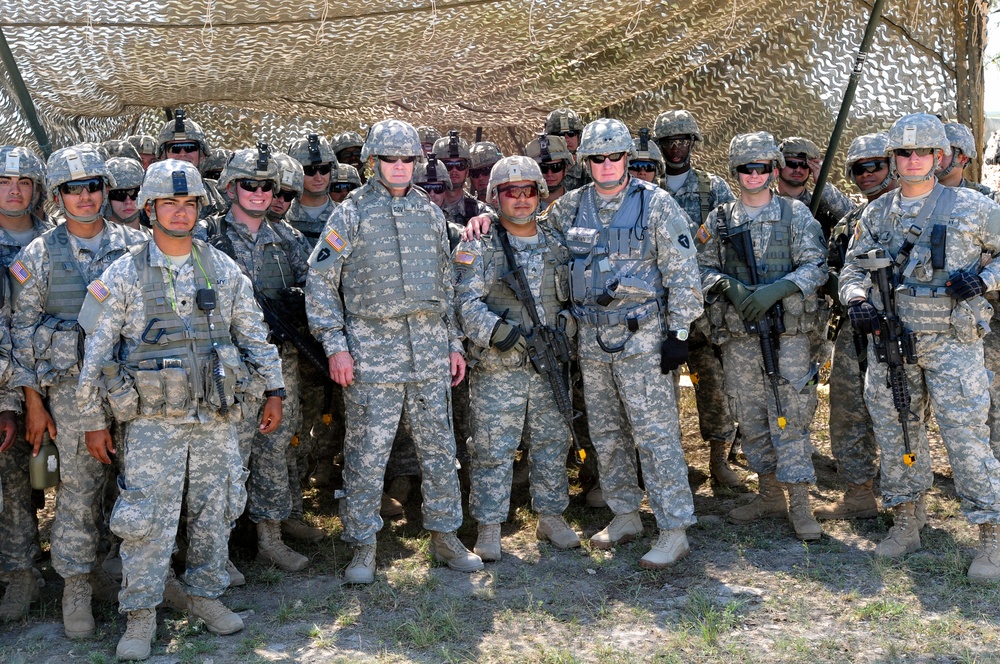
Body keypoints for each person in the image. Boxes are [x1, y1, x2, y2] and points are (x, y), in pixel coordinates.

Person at [76, 159, 284, 659]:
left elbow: (254, 333)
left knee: (217, 509)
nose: (180, 212)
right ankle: (141, 615)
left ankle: (206, 596)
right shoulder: (122, 274)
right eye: (169, 203)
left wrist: (274, 388)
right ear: (149, 210)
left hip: (214, 416)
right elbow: (96, 353)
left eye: (188, 202)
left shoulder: (221, 268)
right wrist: (92, 422)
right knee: (145, 518)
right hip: (151, 422)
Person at [305, 119, 482, 584]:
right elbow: (321, 283)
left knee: (440, 451)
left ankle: (445, 536)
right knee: (367, 453)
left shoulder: (427, 211)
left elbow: (446, 283)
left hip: (426, 349)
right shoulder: (350, 213)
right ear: (372, 163)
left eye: (407, 159)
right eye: (390, 159)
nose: (400, 167)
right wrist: (336, 347)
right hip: (370, 351)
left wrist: (452, 343)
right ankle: (362, 545)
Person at [537, 118, 703, 568]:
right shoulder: (569, 208)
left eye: (615, 157)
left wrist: (680, 335)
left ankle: (674, 528)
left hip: (643, 336)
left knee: (655, 434)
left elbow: (685, 276)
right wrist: (479, 224)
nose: (607, 165)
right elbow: (530, 239)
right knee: (608, 432)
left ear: (628, 157)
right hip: (592, 338)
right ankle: (625, 513)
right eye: (597, 158)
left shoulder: (658, 206)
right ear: (584, 161)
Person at [841, 113, 1000, 580]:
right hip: (891, 338)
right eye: (903, 153)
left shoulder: (972, 207)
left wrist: (986, 279)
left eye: (922, 153)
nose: (912, 161)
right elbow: (852, 269)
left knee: (966, 439)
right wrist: (855, 299)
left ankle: (991, 536)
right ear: (895, 159)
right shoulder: (876, 213)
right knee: (896, 434)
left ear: (939, 157)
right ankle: (906, 521)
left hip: (953, 341)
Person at [9, 145, 147, 638]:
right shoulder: (39, 256)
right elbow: (20, 335)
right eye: (73, 189)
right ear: (58, 195)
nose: (85, 197)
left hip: (131, 388)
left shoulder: (136, 246)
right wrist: (33, 403)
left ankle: (138, 578)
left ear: (105, 190)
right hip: (68, 395)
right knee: (78, 492)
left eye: (93, 186)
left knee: (139, 484)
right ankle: (76, 586)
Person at [699, 132, 827, 541]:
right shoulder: (720, 220)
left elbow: (816, 267)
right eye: (744, 168)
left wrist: (779, 288)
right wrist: (727, 286)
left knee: (790, 415)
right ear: (734, 171)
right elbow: (695, 270)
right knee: (750, 415)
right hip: (738, 338)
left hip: (786, 336)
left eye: (761, 168)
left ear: (774, 169)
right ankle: (769, 494)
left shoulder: (795, 215)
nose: (753, 175)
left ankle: (801, 506)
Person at [454, 156, 580, 561]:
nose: (521, 200)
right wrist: (502, 334)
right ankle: (490, 527)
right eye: (511, 192)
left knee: (552, 441)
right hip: (499, 366)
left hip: (549, 364)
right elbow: (463, 302)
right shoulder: (479, 243)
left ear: (540, 195)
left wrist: (566, 327)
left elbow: (575, 300)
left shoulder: (557, 244)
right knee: (492, 447)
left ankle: (551, 516)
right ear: (495, 197)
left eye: (529, 191)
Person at [205, 145, 315, 571]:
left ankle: (270, 537)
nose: (259, 192)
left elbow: (314, 289)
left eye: (267, 186)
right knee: (227, 456)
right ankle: (219, 549)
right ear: (230, 187)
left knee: (273, 450)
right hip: (224, 366)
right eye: (249, 184)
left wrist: (297, 304)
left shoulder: (286, 238)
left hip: (277, 361)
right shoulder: (206, 237)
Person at [653, 109, 741, 488]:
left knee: (713, 387)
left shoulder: (714, 188)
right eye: (668, 142)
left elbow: (734, 236)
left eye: (683, 140)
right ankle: (671, 466)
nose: (676, 149)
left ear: (693, 143)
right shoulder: (645, 187)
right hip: (657, 308)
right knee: (660, 392)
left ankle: (719, 461)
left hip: (704, 308)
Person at [814, 132, 896, 521]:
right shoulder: (851, 222)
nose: (865, 175)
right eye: (858, 169)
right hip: (855, 328)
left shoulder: (915, 211)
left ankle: (905, 499)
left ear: (892, 165)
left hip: (903, 328)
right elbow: (832, 266)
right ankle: (859, 493)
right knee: (847, 409)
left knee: (901, 412)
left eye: (874, 166)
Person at [0, 145, 49, 622]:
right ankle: (21, 573)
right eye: (3, 181)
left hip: (56, 379)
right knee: (15, 483)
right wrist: (10, 401)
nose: (13, 190)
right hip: (6, 385)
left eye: (23, 182)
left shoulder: (53, 241)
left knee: (74, 476)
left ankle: (86, 564)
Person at [775, 136, 856, 241]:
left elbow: (856, 219)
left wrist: (822, 184)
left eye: (805, 165)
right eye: (792, 164)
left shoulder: (822, 204)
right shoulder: (764, 201)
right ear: (779, 165)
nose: (798, 169)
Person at [153, 110, 229, 219]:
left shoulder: (218, 192)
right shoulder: (150, 191)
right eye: (175, 149)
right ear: (163, 155)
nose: (183, 154)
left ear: (202, 153)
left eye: (190, 148)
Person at [432, 132, 492, 227]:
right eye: (448, 166)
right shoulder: (427, 205)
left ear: (467, 171)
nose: (454, 170)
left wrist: (487, 218)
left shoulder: (478, 209)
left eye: (460, 165)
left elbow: (496, 219)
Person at [524, 134, 574, 213]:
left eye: (556, 167)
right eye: (543, 168)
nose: (549, 173)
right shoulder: (524, 209)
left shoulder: (578, 204)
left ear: (566, 168)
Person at [544, 108, 589, 191]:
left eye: (571, 133)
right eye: (559, 135)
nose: (566, 139)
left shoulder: (588, 169)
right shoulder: (539, 169)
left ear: (579, 137)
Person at [106, 157, 146, 230]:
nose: (128, 201)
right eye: (119, 194)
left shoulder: (157, 239)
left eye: (135, 193)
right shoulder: (94, 240)